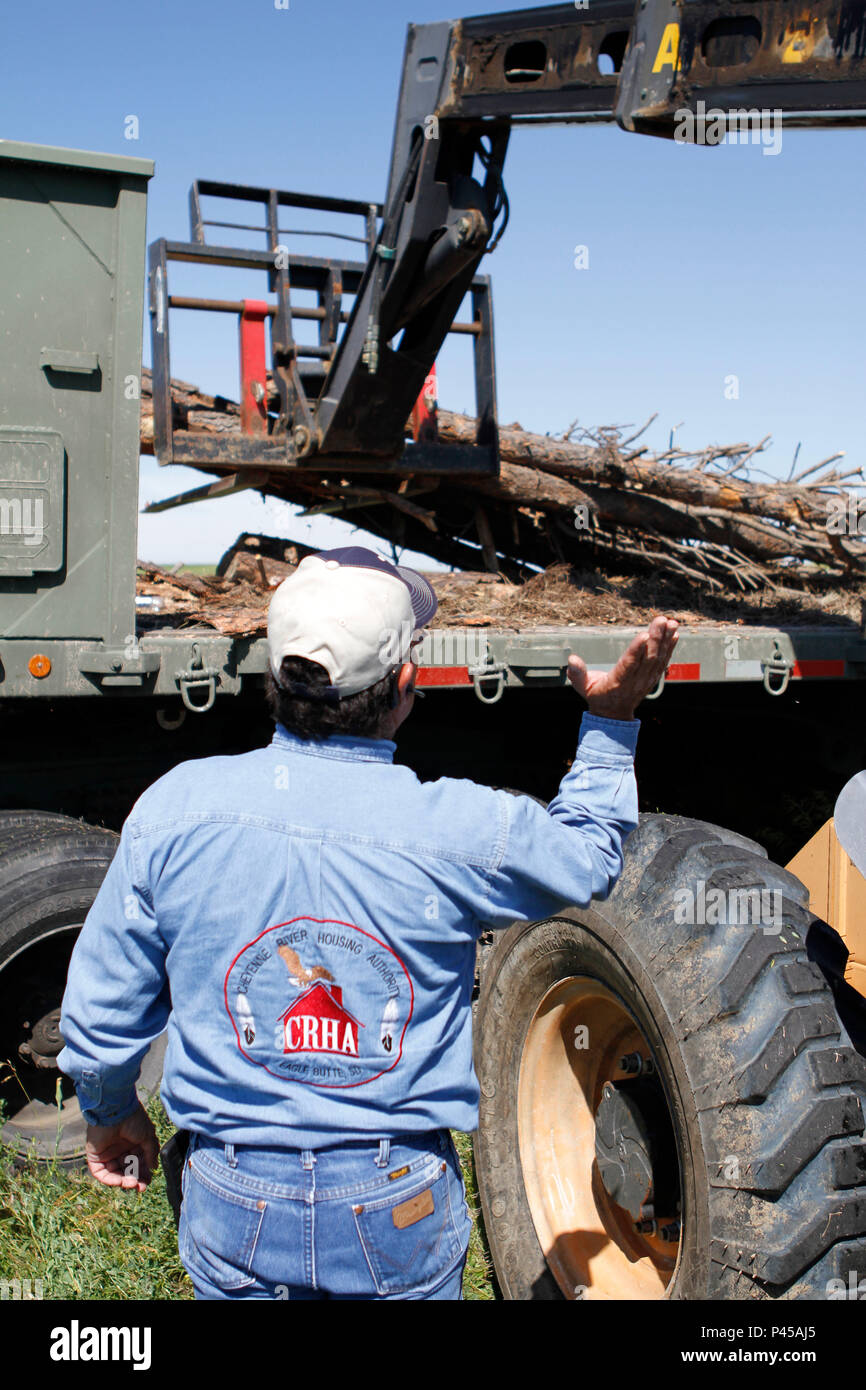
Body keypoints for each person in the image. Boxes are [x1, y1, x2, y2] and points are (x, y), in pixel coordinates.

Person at [59, 546, 678, 1300]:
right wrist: (610, 720)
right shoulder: (460, 827)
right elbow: (588, 859)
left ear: (273, 682)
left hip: (231, 1184)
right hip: (396, 1195)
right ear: (406, 689)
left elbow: (102, 1012)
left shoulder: (174, 809)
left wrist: (110, 1112)